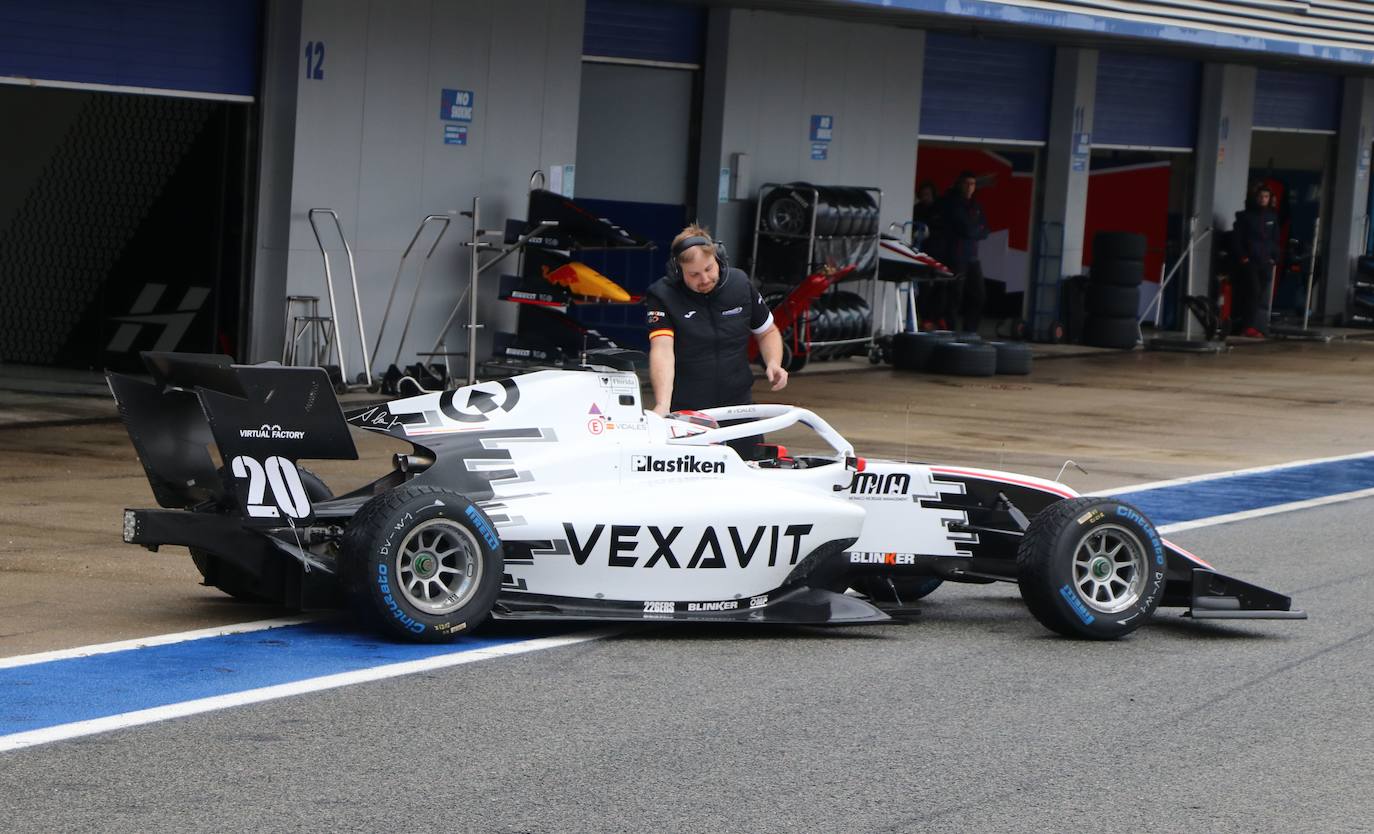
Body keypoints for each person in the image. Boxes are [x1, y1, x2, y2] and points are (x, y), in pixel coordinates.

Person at [644, 225, 788, 418]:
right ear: (678, 271)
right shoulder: (663, 296)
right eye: (694, 274)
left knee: (750, 449)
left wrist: (773, 362)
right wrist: (663, 404)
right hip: (689, 407)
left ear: (719, 259)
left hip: (739, 404)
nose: (704, 279)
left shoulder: (740, 284)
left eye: (709, 268)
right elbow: (662, 349)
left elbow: (767, 332)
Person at [940, 171, 990, 334]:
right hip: (957, 256)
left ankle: (970, 330)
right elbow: (966, 229)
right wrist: (975, 229)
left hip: (973, 257)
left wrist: (974, 229)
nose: (970, 187)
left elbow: (985, 230)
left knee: (978, 295)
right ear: (960, 185)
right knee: (955, 295)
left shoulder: (976, 205)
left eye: (973, 184)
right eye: (966, 183)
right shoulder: (952, 204)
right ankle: (950, 330)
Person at [1231, 183, 1280, 338]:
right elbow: (1236, 239)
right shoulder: (1244, 216)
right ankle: (1247, 326)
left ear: (1270, 199)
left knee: (1260, 296)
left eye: (1266, 197)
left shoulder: (1272, 217)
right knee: (1253, 292)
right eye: (1260, 196)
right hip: (1250, 262)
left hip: (1266, 262)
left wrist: (1274, 258)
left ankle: (1254, 325)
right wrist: (1243, 257)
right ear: (1255, 198)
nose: (1263, 199)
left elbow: (1275, 240)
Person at [911, 180, 946, 329]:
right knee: (924, 287)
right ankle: (924, 318)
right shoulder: (916, 210)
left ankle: (937, 316)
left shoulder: (940, 209)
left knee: (940, 286)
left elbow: (944, 229)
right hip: (921, 253)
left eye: (928, 194)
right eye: (923, 195)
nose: (926, 197)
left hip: (938, 253)